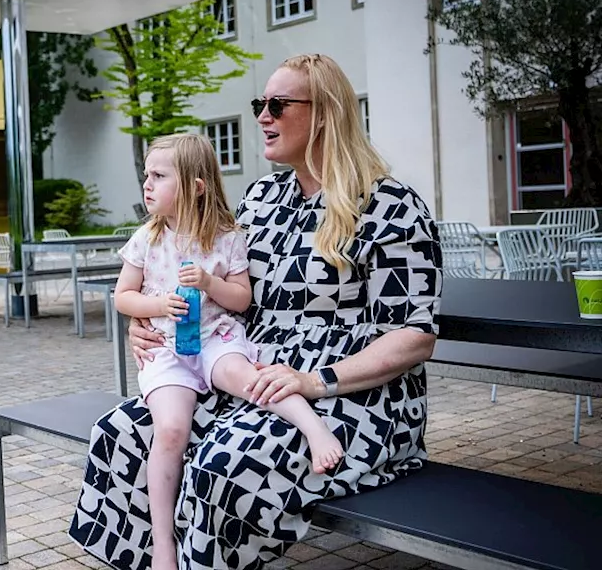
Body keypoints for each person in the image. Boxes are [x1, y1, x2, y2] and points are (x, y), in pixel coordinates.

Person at [69, 54, 442, 570]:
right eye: (258, 105)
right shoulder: (261, 200)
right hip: (248, 370)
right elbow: (199, 274)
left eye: (278, 105)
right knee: (123, 433)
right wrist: (144, 322)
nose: (262, 116)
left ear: (326, 114)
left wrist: (317, 381)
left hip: (354, 398)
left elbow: (415, 337)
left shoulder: (390, 206)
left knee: (222, 466)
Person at [114, 133, 344, 570]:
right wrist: (156, 305)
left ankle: (315, 429)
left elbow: (241, 299)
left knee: (251, 376)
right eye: (147, 175)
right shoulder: (147, 238)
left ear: (197, 185)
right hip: (166, 350)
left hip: (216, 339)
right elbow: (123, 296)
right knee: (171, 431)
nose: (147, 184)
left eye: (159, 176)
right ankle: (163, 543)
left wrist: (208, 283)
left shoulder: (226, 237)